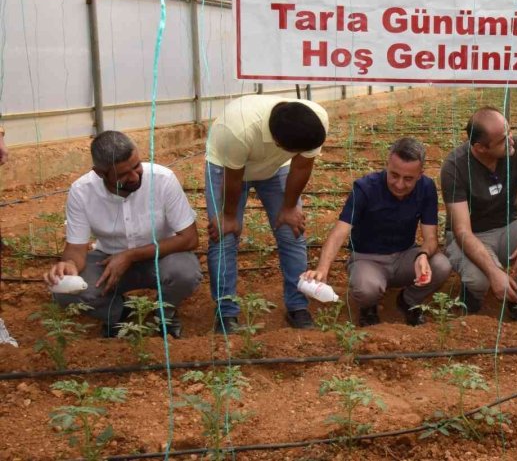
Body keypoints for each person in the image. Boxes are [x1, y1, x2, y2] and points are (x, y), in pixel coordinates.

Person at [44, 131, 201, 338]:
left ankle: (165, 313)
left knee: (185, 273)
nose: (135, 176)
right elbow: (75, 249)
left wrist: (129, 255)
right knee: (64, 293)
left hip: (161, 257)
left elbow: (190, 238)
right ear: (100, 173)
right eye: (123, 174)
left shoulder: (162, 179)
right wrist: (70, 266)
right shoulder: (82, 191)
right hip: (107, 261)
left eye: (136, 166)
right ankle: (119, 313)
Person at [206, 95, 328, 333]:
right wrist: (228, 217)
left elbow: (302, 166)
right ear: (279, 143)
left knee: (292, 231)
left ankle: (297, 306)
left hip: (276, 169)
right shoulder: (237, 129)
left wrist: (289, 207)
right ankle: (226, 313)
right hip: (226, 167)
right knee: (224, 237)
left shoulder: (315, 121)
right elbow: (233, 177)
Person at [301, 137, 451, 326]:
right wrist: (322, 268)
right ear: (387, 165)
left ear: (420, 174)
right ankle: (368, 307)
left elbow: (430, 238)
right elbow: (340, 231)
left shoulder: (426, 188)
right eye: (394, 175)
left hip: (405, 255)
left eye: (408, 179)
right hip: (368, 258)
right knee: (366, 290)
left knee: (441, 265)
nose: (399, 184)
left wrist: (422, 255)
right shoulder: (365, 188)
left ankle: (408, 300)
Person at [440, 106, 517, 320]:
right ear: (480, 148)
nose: (511, 140)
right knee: (480, 280)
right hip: (470, 236)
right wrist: (495, 272)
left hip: (506, 229)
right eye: (503, 139)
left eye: (510, 132)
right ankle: (472, 295)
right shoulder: (454, 166)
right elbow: (462, 230)